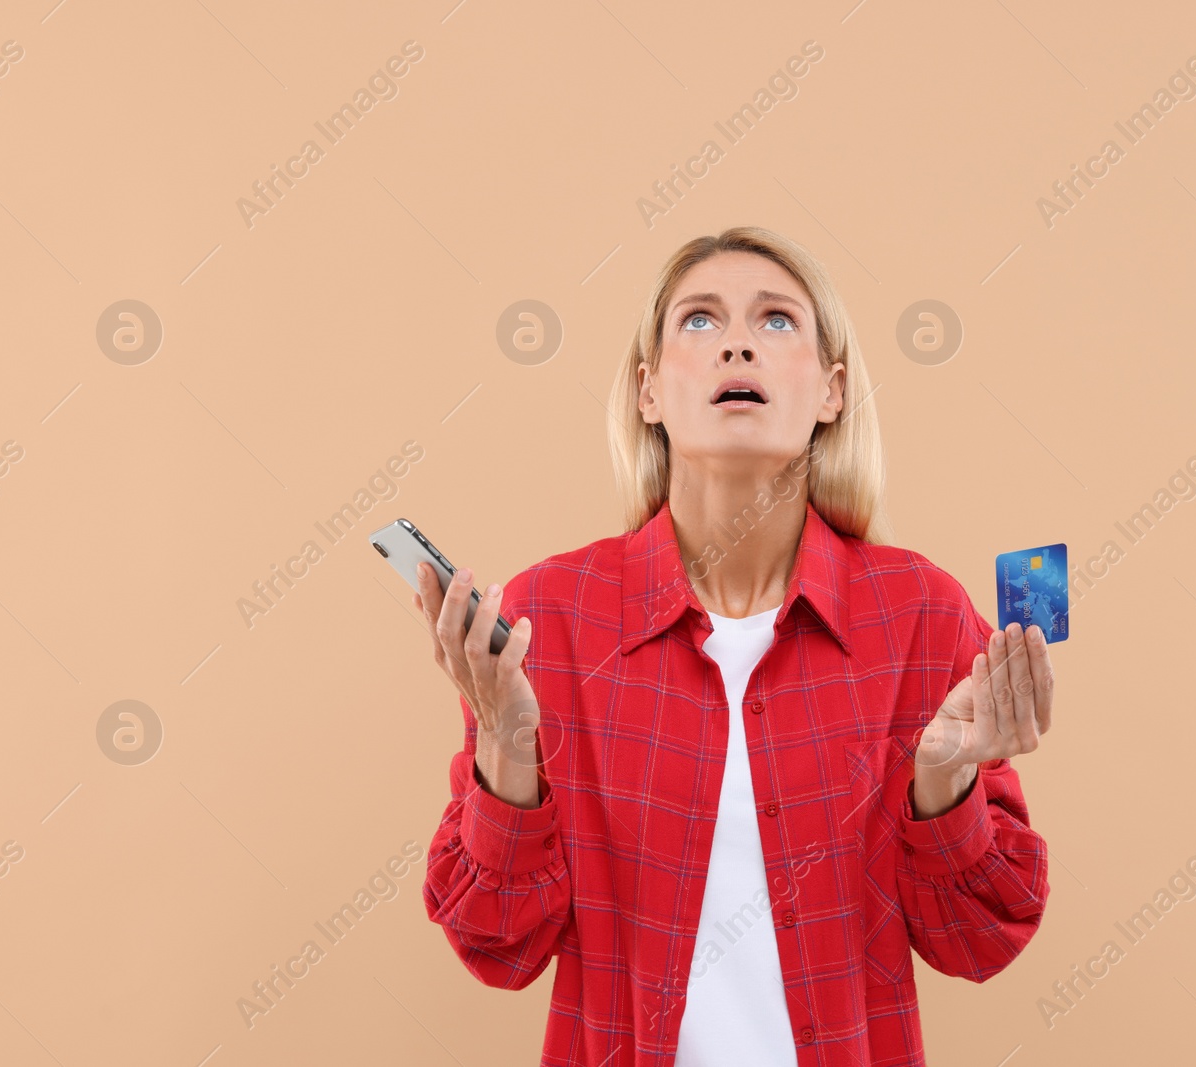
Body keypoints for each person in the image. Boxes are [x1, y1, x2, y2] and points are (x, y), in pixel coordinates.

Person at [414, 226, 1055, 1066]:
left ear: (831, 390)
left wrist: (944, 780)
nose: (740, 341)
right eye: (700, 321)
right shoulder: (548, 620)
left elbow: (979, 940)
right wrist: (506, 748)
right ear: (648, 391)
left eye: (778, 320)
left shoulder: (923, 615)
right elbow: (496, 945)